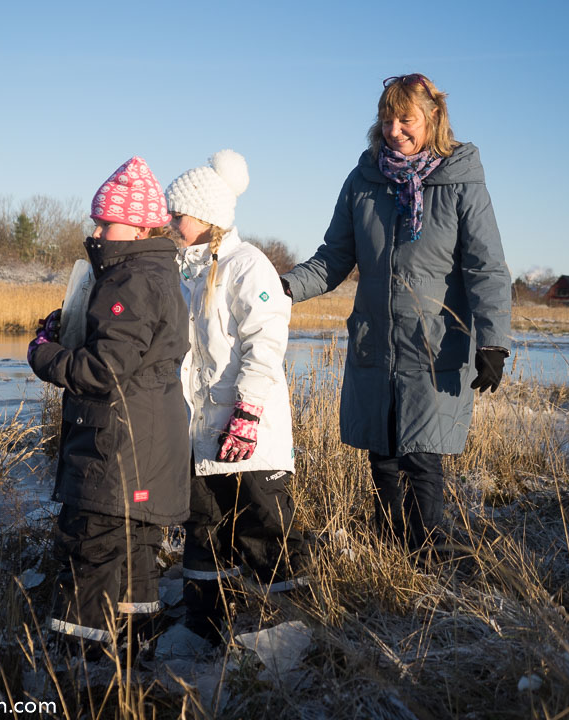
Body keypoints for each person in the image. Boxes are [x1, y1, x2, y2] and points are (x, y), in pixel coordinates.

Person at [280, 74, 511, 554]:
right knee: (382, 455)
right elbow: (333, 258)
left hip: (433, 346)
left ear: (432, 118)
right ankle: (390, 551)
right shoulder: (364, 180)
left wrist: (493, 341)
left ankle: (427, 557)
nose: (394, 129)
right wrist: (280, 288)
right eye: (387, 119)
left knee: (422, 458)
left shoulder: (461, 182)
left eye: (406, 118)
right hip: (376, 343)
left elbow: (485, 267)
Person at [27, 156, 190, 659]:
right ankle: (133, 667)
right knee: (134, 562)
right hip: (146, 449)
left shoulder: (131, 279)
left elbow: (104, 370)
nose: (95, 232)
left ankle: (77, 675)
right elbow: (126, 353)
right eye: (96, 221)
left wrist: (43, 354)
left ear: (140, 227)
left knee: (90, 556)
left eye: (106, 222)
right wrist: (70, 327)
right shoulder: (154, 272)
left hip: (115, 452)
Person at [167, 150, 307, 645]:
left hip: (248, 432)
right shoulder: (185, 272)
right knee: (204, 529)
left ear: (206, 216)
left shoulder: (247, 266)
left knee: (263, 526)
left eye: (178, 214)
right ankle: (204, 629)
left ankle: (291, 628)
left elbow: (265, 343)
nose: (171, 222)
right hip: (202, 432)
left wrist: (247, 413)